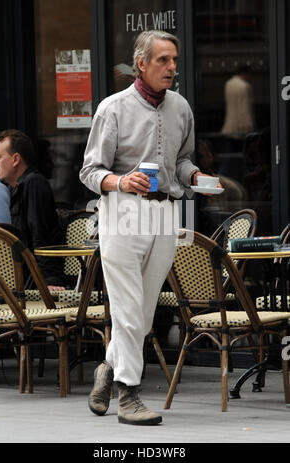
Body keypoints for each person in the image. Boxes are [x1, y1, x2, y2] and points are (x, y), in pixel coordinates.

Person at [80, 30, 217, 426]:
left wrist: (195, 179)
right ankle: (129, 395)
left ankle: (108, 367)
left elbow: (183, 160)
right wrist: (122, 181)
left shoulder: (181, 108)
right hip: (122, 212)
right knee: (126, 308)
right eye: (163, 60)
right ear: (141, 63)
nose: (172, 67)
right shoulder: (113, 108)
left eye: (174, 60)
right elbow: (90, 171)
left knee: (143, 310)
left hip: (165, 216)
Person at [0, 129, 65, 291]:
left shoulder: (34, 184)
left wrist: (49, 280)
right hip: (21, 282)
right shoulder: (14, 189)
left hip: (36, 283)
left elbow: (40, 234)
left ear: (15, 159)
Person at [221, 65, 255, 137]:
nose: (251, 77)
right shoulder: (246, 86)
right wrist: (251, 127)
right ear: (245, 74)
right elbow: (246, 109)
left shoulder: (228, 84)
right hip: (242, 128)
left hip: (229, 127)